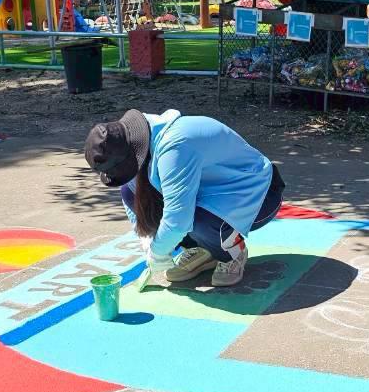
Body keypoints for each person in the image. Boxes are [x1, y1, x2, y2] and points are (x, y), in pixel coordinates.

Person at [85, 109, 284, 287]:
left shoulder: (175, 147)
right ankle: (203, 249)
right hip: (211, 194)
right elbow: (132, 197)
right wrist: (147, 241)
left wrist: (158, 253)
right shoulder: (134, 143)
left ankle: (232, 253)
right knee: (132, 193)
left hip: (259, 196)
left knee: (196, 220)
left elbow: (178, 220)